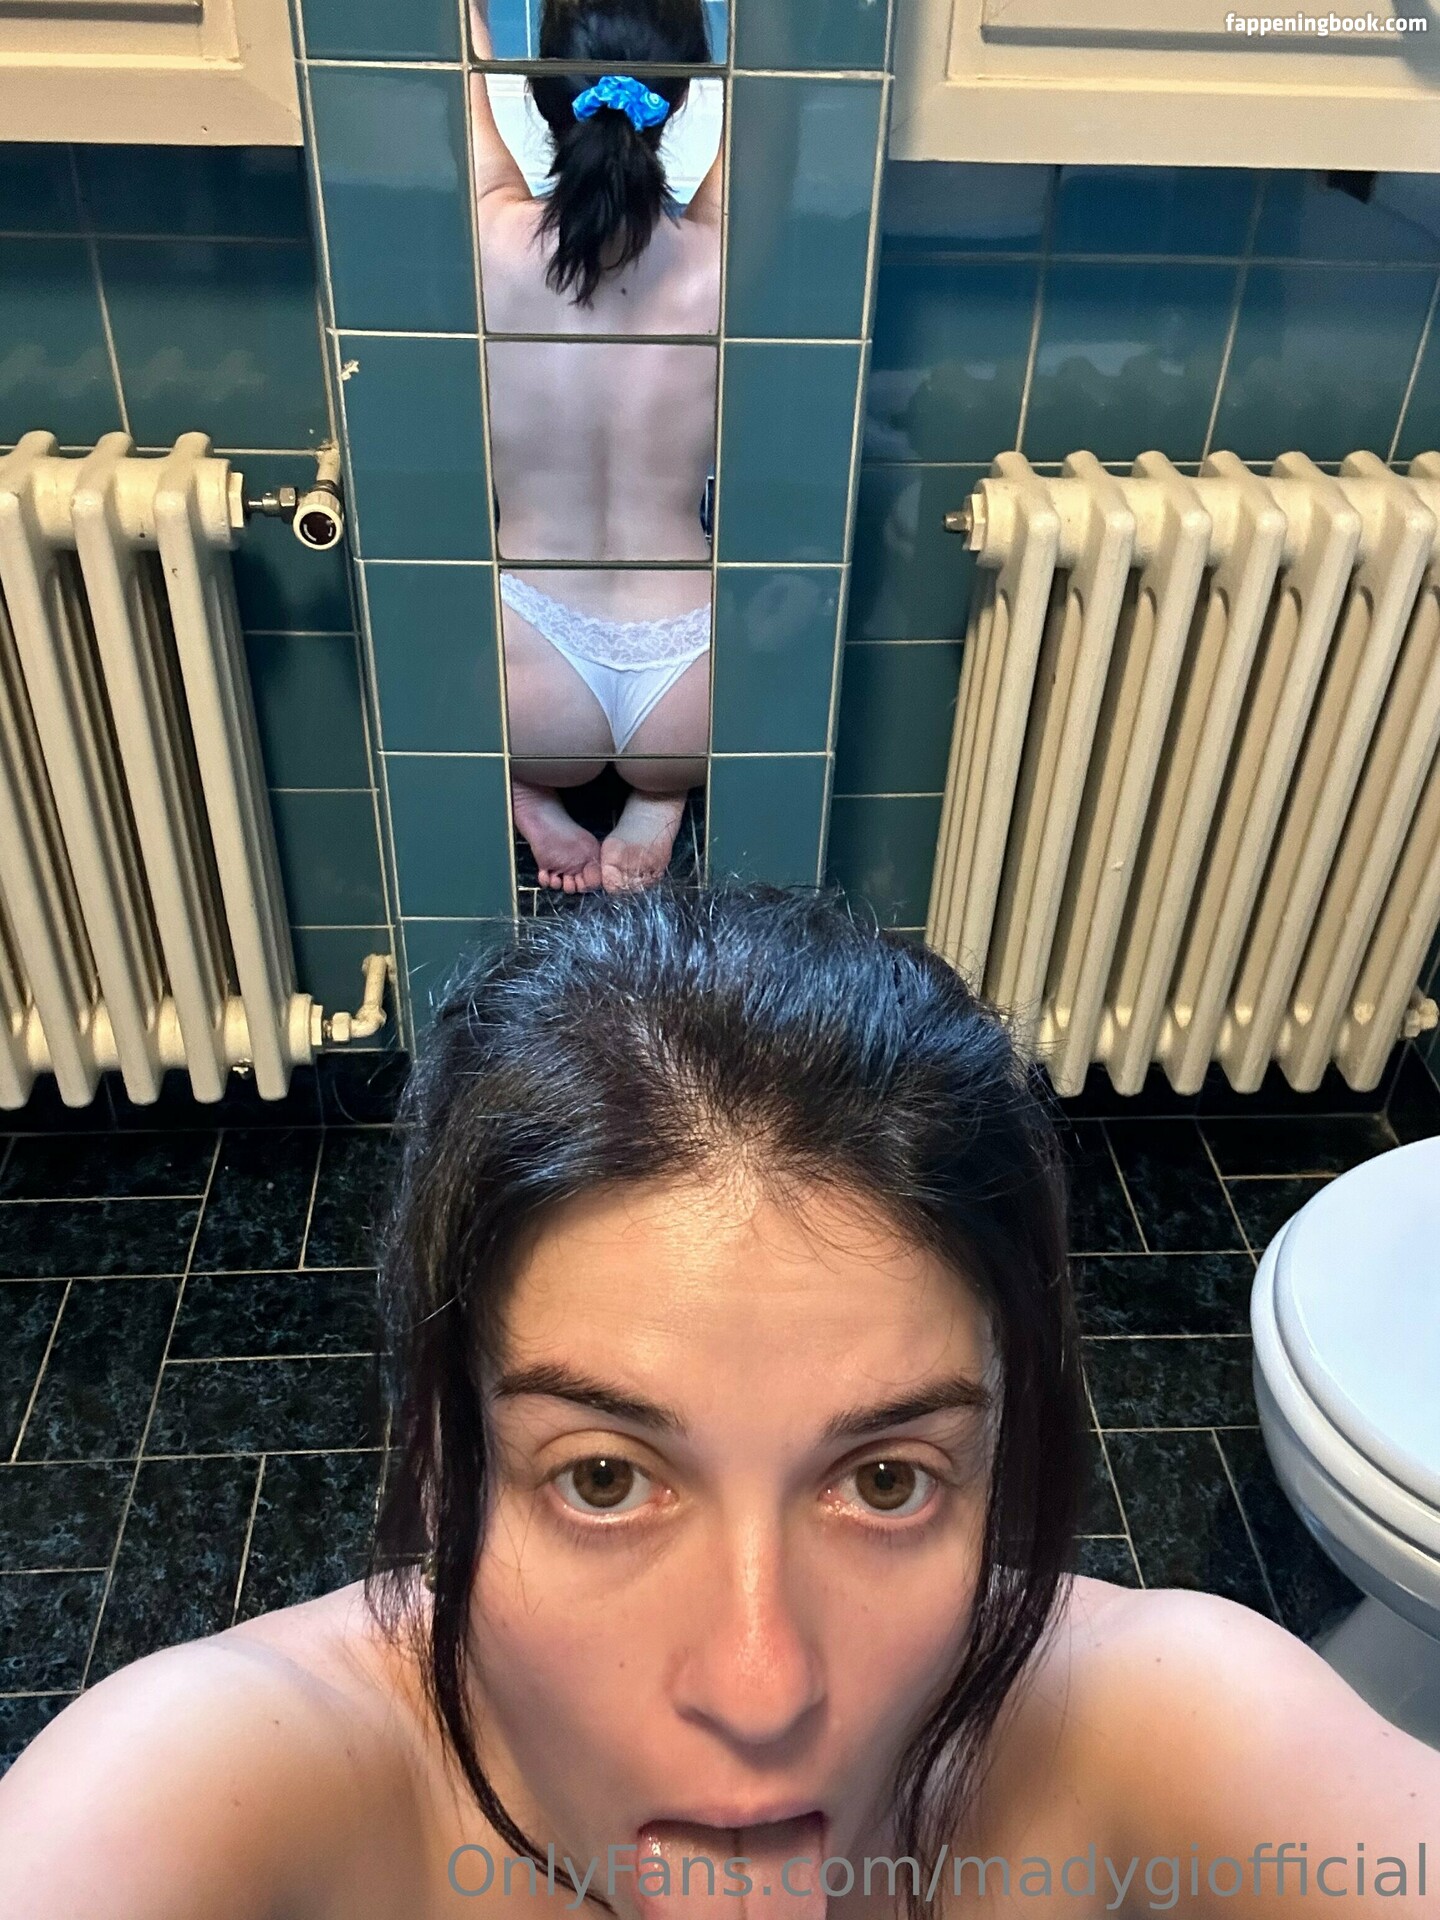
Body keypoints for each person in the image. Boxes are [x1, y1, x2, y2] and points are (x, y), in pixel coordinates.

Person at [2, 884, 1438, 1920]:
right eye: (604, 1478)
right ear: (444, 1470)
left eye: (886, 1481)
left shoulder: (1148, 1718)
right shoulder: (226, 1786)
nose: (761, 1689)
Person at [470, 0, 722, 897]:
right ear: (681, 96)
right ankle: (662, 794)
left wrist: (471, 31)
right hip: (690, 675)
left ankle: (531, 790)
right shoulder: (724, 257)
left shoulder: (488, 235)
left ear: (545, 90)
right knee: (675, 755)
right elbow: (779, 115)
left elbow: (452, 88)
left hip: (533, 671)